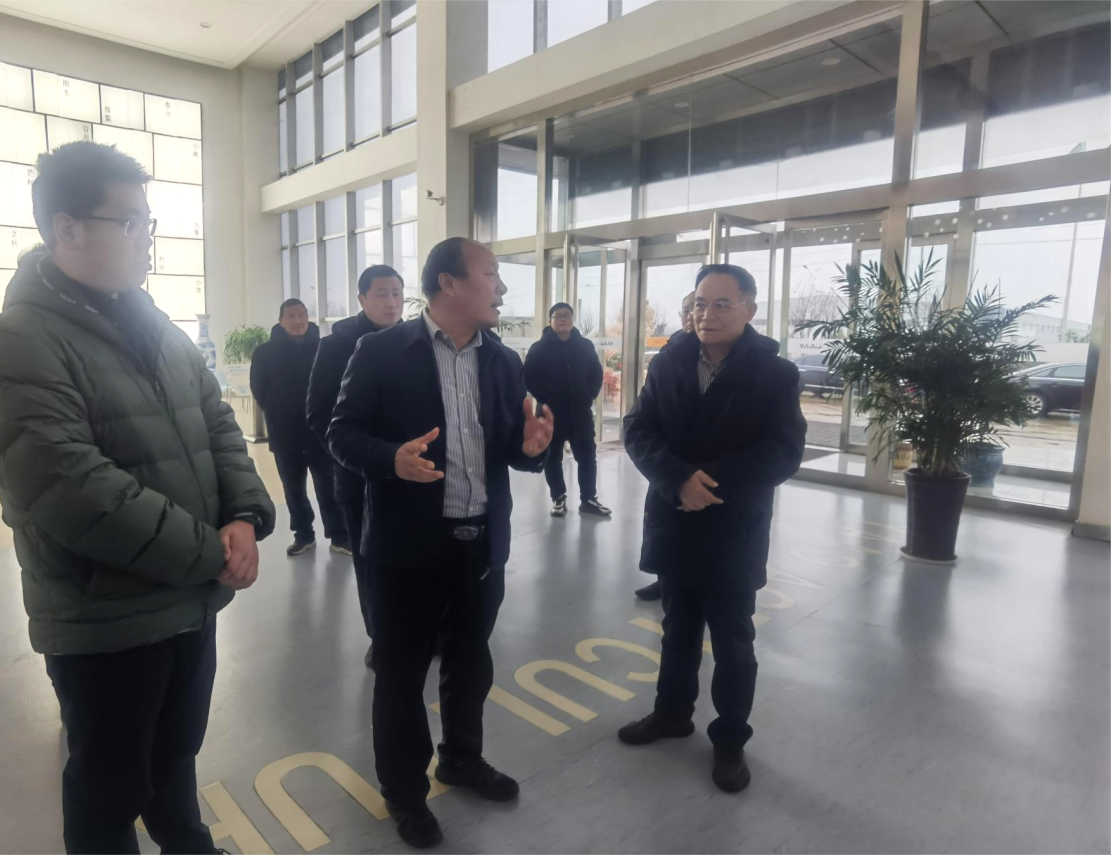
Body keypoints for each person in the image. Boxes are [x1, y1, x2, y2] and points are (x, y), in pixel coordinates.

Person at [0, 141, 274, 855]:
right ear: (67, 228)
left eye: (149, 222)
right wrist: (209, 552)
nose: (147, 239)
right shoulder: (18, 342)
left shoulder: (157, 326)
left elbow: (218, 423)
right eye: (130, 222)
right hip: (105, 616)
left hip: (188, 600)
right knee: (107, 792)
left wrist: (241, 515)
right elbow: (72, 488)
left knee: (174, 759)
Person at [329, 238, 553, 848]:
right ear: (449, 283)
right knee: (401, 674)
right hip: (407, 547)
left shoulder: (502, 360)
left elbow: (507, 448)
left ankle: (461, 758)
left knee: (470, 661)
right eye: (491, 274)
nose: (501, 288)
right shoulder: (381, 352)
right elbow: (341, 433)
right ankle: (404, 793)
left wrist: (530, 450)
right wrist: (390, 460)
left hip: (480, 544)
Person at [617, 264, 805, 793]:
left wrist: (708, 482)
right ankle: (672, 713)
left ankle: (729, 740)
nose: (708, 314)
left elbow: (783, 452)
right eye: (700, 303)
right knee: (677, 630)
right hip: (675, 516)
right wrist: (677, 479)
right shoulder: (670, 359)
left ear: (749, 309)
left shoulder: (775, 373)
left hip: (732, 526)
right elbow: (638, 427)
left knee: (733, 642)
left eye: (722, 303)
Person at [306, 265, 405, 668]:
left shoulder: (416, 340)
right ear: (362, 299)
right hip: (360, 477)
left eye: (397, 293)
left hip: (412, 476)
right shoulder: (338, 346)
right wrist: (352, 458)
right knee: (371, 562)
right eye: (382, 294)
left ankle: (419, 632)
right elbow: (318, 413)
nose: (392, 302)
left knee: (413, 559)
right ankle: (380, 637)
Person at [252, 299, 350, 557]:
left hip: (320, 432)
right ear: (281, 320)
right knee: (293, 488)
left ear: (308, 318)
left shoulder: (323, 348)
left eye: (302, 315)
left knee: (329, 487)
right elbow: (259, 389)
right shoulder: (264, 353)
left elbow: (337, 385)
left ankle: (340, 536)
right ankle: (303, 535)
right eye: (291, 316)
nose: (297, 321)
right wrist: (277, 412)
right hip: (285, 433)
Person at [634, 290, 697, 603]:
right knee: (665, 533)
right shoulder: (666, 358)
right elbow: (640, 424)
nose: (694, 315)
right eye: (688, 309)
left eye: (701, 306)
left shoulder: (755, 366)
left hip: (716, 483)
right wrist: (670, 472)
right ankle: (665, 580)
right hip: (669, 470)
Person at [523, 302, 610, 518]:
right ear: (550, 321)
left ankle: (588, 499)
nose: (563, 319)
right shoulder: (539, 348)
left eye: (567, 315)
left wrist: (589, 395)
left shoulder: (585, 346)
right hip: (550, 415)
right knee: (552, 457)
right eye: (558, 316)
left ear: (572, 319)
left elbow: (596, 372)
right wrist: (545, 399)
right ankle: (558, 498)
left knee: (587, 456)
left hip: (580, 413)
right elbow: (529, 378)